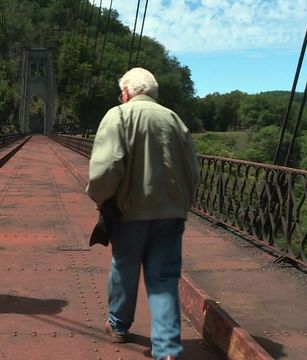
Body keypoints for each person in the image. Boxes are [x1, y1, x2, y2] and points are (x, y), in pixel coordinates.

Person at [86, 67, 199, 360]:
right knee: (163, 278)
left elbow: (107, 166)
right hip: (171, 212)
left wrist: (101, 199)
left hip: (130, 211)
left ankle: (120, 325)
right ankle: (168, 350)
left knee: (124, 267)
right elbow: (192, 169)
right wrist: (182, 204)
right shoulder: (174, 119)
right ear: (152, 93)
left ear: (126, 92)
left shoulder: (119, 115)